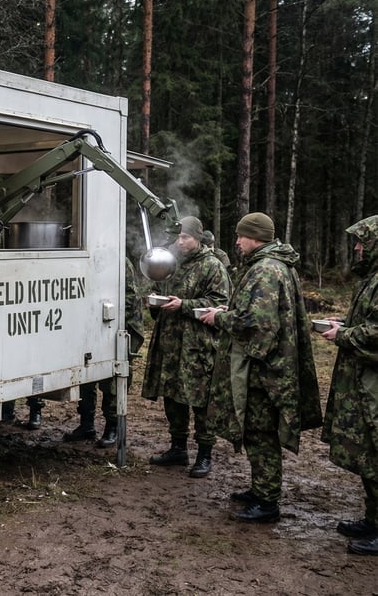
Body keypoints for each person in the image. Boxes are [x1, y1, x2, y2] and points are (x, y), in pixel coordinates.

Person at [201, 212, 322, 523]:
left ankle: (267, 501)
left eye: (242, 236)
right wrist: (232, 309)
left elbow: (259, 322)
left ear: (255, 237)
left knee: (260, 432)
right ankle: (260, 489)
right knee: (257, 431)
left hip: (263, 368)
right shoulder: (272, 265)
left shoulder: (266, 269)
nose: (238, 242)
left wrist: (220, 318)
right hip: (268, 364)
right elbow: (261, 311)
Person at [141, 216, 231, 477]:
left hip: (198, 346)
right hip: (170, 343)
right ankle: (178, 448)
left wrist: (185, 305)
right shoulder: (171, 263)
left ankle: (204, 455)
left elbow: (221, 303)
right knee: (172, 396)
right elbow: (160, 289)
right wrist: (155, 303)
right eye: (178, 237)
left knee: (201, 401)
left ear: (198, 238)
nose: (179, 242)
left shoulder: (212, 266)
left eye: (185, 237)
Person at [319, 215, 378, 555]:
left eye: (362, 242)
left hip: (373, 384)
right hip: (364, 383)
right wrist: (345, 324)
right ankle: (373, 519)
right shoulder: (370, 280)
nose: (356, 248)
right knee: (369, 456)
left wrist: (344, 334)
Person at [64, 257, 145, 446]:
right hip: (92, 326)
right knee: (86, 374)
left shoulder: (119, 261)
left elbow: (129, 299)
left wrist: (97, 309)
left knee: (112, 380)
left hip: (119, 326)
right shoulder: (86, 259)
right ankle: (86, 425)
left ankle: (113, 428)